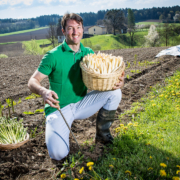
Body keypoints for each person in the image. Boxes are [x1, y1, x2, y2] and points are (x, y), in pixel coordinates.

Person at [28, 13, 125, 161]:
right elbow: (33, 81)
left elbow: (103, 77)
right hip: (60, 108)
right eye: (70, 28)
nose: (75, 32)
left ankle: (103, 136)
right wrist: (43, 91)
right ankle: (58, 130)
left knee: (115, 92)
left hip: (82, 103)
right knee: (58, 154)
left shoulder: (88, 54)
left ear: (82, 28)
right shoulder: (52, 56)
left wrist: (118, 82)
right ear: (63, 31)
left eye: (78, 27)